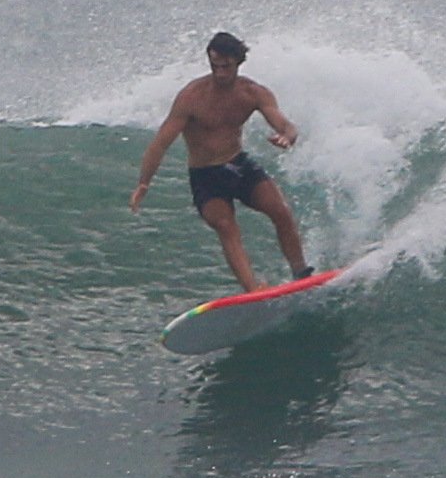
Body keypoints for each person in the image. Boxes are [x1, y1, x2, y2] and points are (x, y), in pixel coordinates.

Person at [130, 32, 312, 293]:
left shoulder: (253, 93)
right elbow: (161, 142)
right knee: (226, 226)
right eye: (214, 65)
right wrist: (144, 183)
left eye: (225, 66)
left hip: (239, 165)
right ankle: (252, 290)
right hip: (205, 175)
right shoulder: (192, 97)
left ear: (238, 63)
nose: (219, 72)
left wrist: (288, 137)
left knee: (280, 211)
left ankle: (301, 274)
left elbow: (285, 124)